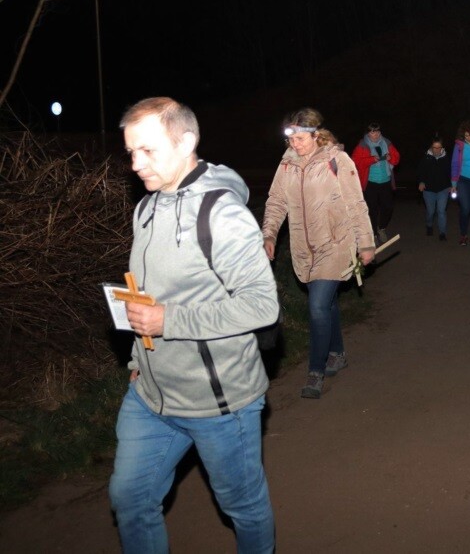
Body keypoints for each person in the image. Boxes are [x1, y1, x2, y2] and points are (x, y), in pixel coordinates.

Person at [110, 97, 280, 554]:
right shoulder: (145, 209)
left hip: (219, 404)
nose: (135, 164)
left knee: (241, 506)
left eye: (147, 151)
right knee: (129, 497)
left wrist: (170, 320)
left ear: (186, 142)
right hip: (150, 395)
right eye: (130, 152)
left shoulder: (221, 214)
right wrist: (136, 358)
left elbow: (263, 305)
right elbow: (146, 296)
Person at [263, 109, 375, 399]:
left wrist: (365, 243)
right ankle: (337, 352)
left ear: (316, 135)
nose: (295, 145)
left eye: (300, 139)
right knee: (326, 305)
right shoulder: (287, 165)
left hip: (335, 244)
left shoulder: (337, 161)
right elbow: (276, 202)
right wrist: (269, 235)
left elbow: (356, 204)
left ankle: (315, 371)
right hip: (303, 248)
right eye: (291, 140)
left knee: (316, 307)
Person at [350, 121, 400, 246]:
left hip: (385, 182)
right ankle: (373, 233)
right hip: (370, 183)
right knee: (372, 210)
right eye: (372, 132)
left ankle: (381, 228)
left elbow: (397, 158)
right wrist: (372, 159)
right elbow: (355, 162)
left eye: (377, 131)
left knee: (388, 207)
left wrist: (390, 158)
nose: (375, 134)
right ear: (368, 133)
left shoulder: (387, 143)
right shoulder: (362, 145)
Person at [417, 135, 451, 240]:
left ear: (442, 148)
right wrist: (421, 182)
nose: (436, 150)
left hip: (443, 189)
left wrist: (451, 185)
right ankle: (429, 225)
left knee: (441, 211)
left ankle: (442, 233)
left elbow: (451, 172)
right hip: (429, 190)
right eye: (434, 147)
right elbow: (420, 171)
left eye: (439, 147)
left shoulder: (446, 158)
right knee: (431, 211)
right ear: (431, 147)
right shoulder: (426, 157)